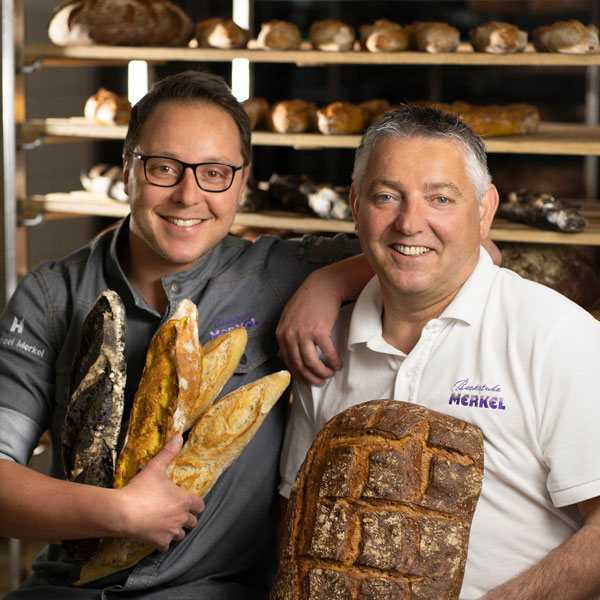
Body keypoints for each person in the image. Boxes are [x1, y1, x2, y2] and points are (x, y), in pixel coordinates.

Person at [0, 70, 372, 599]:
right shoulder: (52, 294)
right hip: (69, 589)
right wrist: (121, 513)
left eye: (215, 172)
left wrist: (328, 280)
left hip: (215, 590)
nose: (187, 195)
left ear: (242, 183)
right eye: (165, 168)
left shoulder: (276, 274)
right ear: (128, 170)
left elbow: (467, 257)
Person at [278, 104, 600, 600]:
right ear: (356, 206)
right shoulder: (325, 343)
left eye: (441, 199)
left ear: (485, 209)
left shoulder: (555, 336)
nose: (411, 223)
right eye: (387, 196)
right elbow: (299, 517)